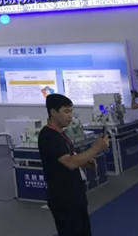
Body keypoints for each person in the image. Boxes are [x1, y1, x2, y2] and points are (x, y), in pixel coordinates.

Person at [38, 93, 109, 236]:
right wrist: (96, 148)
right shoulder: (49, 136)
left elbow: (71, 157)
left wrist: (85, 161)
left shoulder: (61, 134)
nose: (70, 116)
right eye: (66, 111)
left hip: (75, 194)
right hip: (63, 198)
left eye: (71, 111)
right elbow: (70, 163)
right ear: (53, 112)